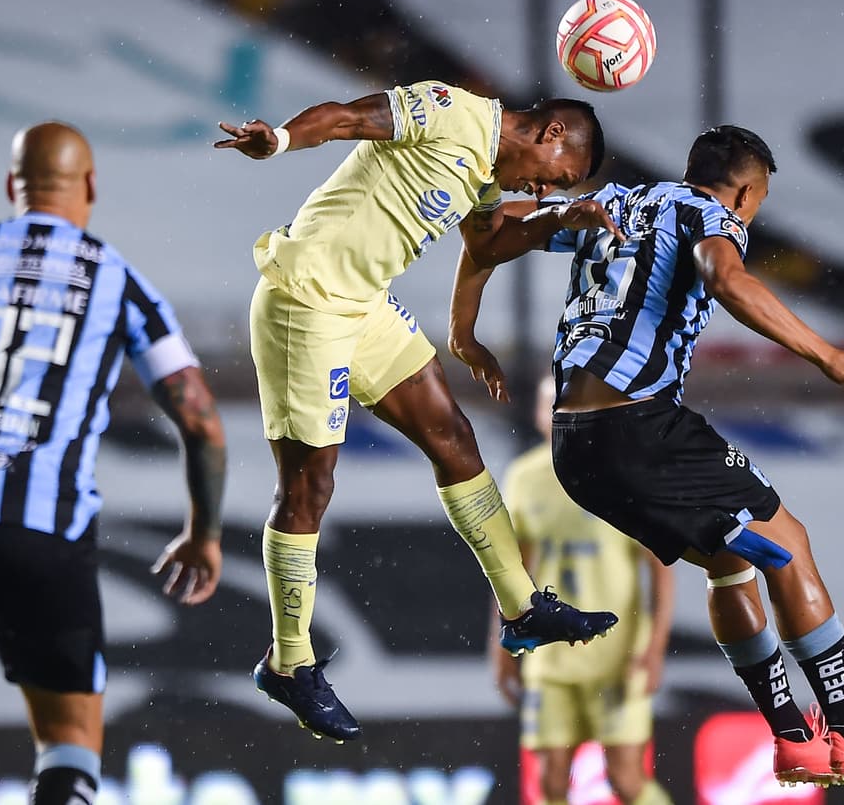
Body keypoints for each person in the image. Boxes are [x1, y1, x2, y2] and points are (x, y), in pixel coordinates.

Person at [450, 125, 844, 786]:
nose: (753, 213)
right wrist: (826, 353)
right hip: (640, 424)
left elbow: (486, 230)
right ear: (742, 190)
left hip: (574, 446)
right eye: (758, 200)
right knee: (788, 541)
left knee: (733, 562)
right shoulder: (709, 214)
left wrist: (463, 325)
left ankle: (795, 739)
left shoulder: (613, 203)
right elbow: (727, 279)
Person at [215, 80, 619, 743]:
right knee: (309, 485)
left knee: (453, 436)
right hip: (307, 297)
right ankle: (288, 662)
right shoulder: (448, 110)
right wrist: (283, 138)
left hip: (363, 304)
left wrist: (553, 224)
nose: (549, 190)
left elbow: (486, 243)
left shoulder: (487, 172)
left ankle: (522, 609)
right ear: (549, 137)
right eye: (558, 180)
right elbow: (346, 118)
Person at [0, 122, 226, 805]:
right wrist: (205, 532)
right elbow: (201, 422)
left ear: (13, 185)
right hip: (50, 534)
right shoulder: (119, 280)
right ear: (91, 185)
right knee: (69, 744)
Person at [494, 376, 674, 805]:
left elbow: (660, 569)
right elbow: (508, 572)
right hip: (550, 659)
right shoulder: (524, 477)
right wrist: (499, 648)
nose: (557, 416)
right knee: (550, 780)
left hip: (618, 655)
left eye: (566, 407)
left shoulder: (624, 473)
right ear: (538, 416)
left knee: (626, 778)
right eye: (549, 407)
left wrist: (654, 646)